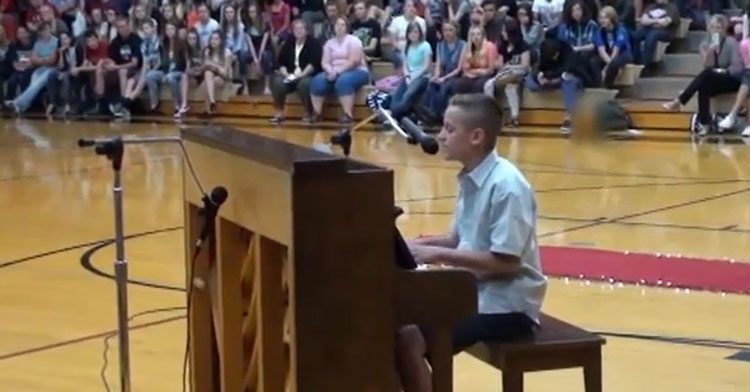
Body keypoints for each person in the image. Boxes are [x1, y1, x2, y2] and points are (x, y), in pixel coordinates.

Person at [396, 93, 547, 392]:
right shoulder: (470, 176)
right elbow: (457, 239)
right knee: (395, 327)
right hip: (474, 293)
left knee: (410, 338)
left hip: (507, 307)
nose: (440, 135)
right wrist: (412, 245)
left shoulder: (507, 185)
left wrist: (433, 252)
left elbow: (506, 262)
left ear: (476, 136)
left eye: (450, 129)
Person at [662, 15, 742, 135]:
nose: (715, 30)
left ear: (724, 30)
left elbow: (737, 68)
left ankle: (679, 101)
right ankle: (705, 124)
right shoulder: (704, 44)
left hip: (731, 78)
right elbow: (707, 65)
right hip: (713, 78)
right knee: (703, 85)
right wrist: (711, 50)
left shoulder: (731, 43)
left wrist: (723, 71)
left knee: (705, 77)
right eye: (713, 27)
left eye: (719, 28)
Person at [525, 38, 598, 133]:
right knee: (529, 82)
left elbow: (568, 69)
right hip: (552, 79)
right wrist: (539, 76)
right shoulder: (545, 52)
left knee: (569, 80)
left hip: (572, 76)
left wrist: (554, 78)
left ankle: (569, 117)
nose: (555, 57)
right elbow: (538, 67)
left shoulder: (569, 53)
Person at [310, 16, 370, 124]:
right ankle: (316, 113)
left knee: (343, 81)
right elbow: (325, 62)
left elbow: (354, 61)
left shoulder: (354, 40)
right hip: (334, 71)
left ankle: (348, 115)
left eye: (343, 25)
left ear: (347, 27)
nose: (340, 27)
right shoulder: (329, 43)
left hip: (357, 71)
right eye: (337, 25)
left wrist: (337, 72)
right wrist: (331, 71)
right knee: (317, 81)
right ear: (333, 27)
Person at [270, 19, 322, 124]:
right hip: (291, 74)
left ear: (306, 30)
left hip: (307, 74)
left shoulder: (313, 43)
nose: (298, 31)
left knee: (304, 84)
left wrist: (301, 75)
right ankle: (279, 111)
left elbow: (314, 63)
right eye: (296, 29)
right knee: (278, 82)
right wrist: (286, 74)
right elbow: (280, 62)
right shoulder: (289, 42)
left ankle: (308, 112)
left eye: (301, 28)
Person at [485, 19, 531, 127]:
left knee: (511, 85)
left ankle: (514, 117)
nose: (502, 33)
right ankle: (491, 113)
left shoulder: (523, 45)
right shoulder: (503, 45)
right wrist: (501, 65)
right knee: (488, 85)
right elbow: (500, 65)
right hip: (505, 72)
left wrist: (509, 66)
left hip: (520, 73)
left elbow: (525, 66)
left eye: (504, 31)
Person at [5, 22, 58, 115]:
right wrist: (44, 59)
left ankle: (16, 103)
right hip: (40, 68)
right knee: (33, 85)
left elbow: (52, 61)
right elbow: (33, 59)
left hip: (52, 69)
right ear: (40, 33)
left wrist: (40, 60)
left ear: (50, 30)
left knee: (37, 84)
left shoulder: (56, 41)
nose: (45, 32)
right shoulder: (38, 43)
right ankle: (23, 107)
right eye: (43, 31)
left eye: (47, 30)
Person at [389, 22, 431, 120]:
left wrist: (414, 77)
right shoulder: (407, 47)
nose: (413, 34)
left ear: (420, 33)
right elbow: (405, 65)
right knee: (395, 98)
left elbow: (426, 66)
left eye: (416, 32)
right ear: (408, 34)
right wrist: (407, 76)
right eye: (411, 32)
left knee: (407, 96)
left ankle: (397, 114)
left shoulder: (425, 46)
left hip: (421, 77)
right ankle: (398, 113)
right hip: (409, 76)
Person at [121, 19, 163, 117]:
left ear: (153, 29)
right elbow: (145, 62)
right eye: (143, 28)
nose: (145, 30)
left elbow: (161, 61)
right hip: (148, 68)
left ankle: (124, 104)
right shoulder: (144, 44)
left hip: (159, 68)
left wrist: (147, 74)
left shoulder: (159, 42)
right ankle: (126, 104)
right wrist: (142, 76)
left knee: (146, 78)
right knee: (131, 81)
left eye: (147, 28)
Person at [425, 21, 465, 119]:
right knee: (431, 84)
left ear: (456, 31)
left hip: (456, 75)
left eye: (450, 30)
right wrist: (436, 76)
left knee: (444, 87)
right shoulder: (440, 45)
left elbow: (459, 69)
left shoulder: (463, 45)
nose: (447, 33)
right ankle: (431, 113)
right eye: (445, 30)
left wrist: (444, 78)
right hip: (444, 73)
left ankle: (441, 115)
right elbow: (438, 65)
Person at [107, 16, 143, 117]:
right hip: (120, 68)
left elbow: (134, 63)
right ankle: (104, 103)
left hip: (136, 70)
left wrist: (117, 67)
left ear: (128, 26)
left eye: (123, 26)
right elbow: (111, 59)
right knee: (106, 73)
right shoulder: (115, 42)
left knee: (122, 72)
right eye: (119, 27)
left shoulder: (136, 40)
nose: (121, 29)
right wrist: (110, 64)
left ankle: (123, 105)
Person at [631, 0, 679, 73]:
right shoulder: (651, 7)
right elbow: (643, 20)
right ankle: (635, 61)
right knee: (635, 35)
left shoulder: (672, 8)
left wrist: (650, 21)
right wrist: (656, 21)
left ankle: (645, 66)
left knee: (652, 36)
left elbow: (665, 23)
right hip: (649, 29)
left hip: (666, 32)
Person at [593, 6, 632, 89]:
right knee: (593, 61)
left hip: (623, 53)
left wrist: (606, 68)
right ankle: (597, 83)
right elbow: (601, 51)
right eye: (601, 18)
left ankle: (607, 86)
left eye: (606, 18)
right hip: (608, 53)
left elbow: (616, 50)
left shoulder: (621, 30)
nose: (602, 20)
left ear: (612, 18)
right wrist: (607, 65)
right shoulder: (599, 32)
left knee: (614, 64)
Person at [48, 30, 83, 116]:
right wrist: (60, 54)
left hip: (78, 71)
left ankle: (67, 104)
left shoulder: (77, 47)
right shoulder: (62, 50)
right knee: (52, 74)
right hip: (66, 71)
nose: (64, 42)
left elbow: (79, 64)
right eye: (62, 40)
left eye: (65, 39)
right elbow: (61, 67)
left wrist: (65, 73)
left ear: (70, 39)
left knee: (65, 77)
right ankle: (52, 102)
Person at [453, 26, 498, 94]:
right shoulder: (467, 47)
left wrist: (475, 72)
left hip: (486, 75)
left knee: (478, 85)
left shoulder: (490, 46)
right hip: (471, 75)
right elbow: (465, 69)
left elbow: (491, 70)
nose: (475, 37)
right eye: (473, 34)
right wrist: (476, 72)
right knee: (459, 85)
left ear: (483, 36)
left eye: (478, 34)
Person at [161, 21, 190, 118]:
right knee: (155, 76)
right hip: (167, 71)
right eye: (167, 29)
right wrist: (165, 73)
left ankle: (180, 105)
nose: (169, 31)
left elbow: (187, 60)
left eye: (172, 29)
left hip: (179, 70)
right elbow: (163, 61)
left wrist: (185, 72)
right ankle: (177, 105)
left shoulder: (181, 43)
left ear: (176, 30)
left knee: (171, 77)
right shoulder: (164, 44)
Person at [221, 4, 251, 94]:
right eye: (227, 12)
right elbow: (223, 43)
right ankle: (228, 84)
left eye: (231, 12)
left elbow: (239, 44)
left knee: (242, 56)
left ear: (234, 13)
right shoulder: (222, 27)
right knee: (226, 55)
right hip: (228, 51)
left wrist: (233, 53)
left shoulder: (240, 26)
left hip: (240, 50)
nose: (229, 14)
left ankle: (245, 85)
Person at [201, 30, 232, 115]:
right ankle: (211, 104)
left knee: (210, 80)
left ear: (221, 41)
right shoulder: (207, 51)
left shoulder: (226, 52)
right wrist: (210, 66)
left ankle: (209, 108)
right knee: (207, 76)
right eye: (212, 39)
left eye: (216, 39)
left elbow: (225, 72)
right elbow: (204, 66)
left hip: (222, 78)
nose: (213, 41)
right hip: (210, 76)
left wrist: (214, 66)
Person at [247, 3, 274, 94]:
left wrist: (259, 59)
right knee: (243, 56)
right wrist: (255, 60)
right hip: (254, 49)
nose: (252, 14)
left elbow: (264, 43)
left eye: (253, 12)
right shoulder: (247, 26)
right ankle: (245, 86)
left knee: (265, 56)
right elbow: (250, 44)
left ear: (258, 12)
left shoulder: (264, 24)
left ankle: (267, 86)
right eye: (250, 12)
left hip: (265, 48)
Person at [4, 26, 34, 105]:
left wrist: (30, 64)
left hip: (31, 68)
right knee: (12, 80)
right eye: (19, 33)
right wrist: (14, 63)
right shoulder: (14, 45)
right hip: (19, 68)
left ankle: (25, 102)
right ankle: (9, 101)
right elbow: (10, 56)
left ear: (28, 34)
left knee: (23, 80)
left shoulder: (34, 44)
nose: (21, 35)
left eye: (23, 32)